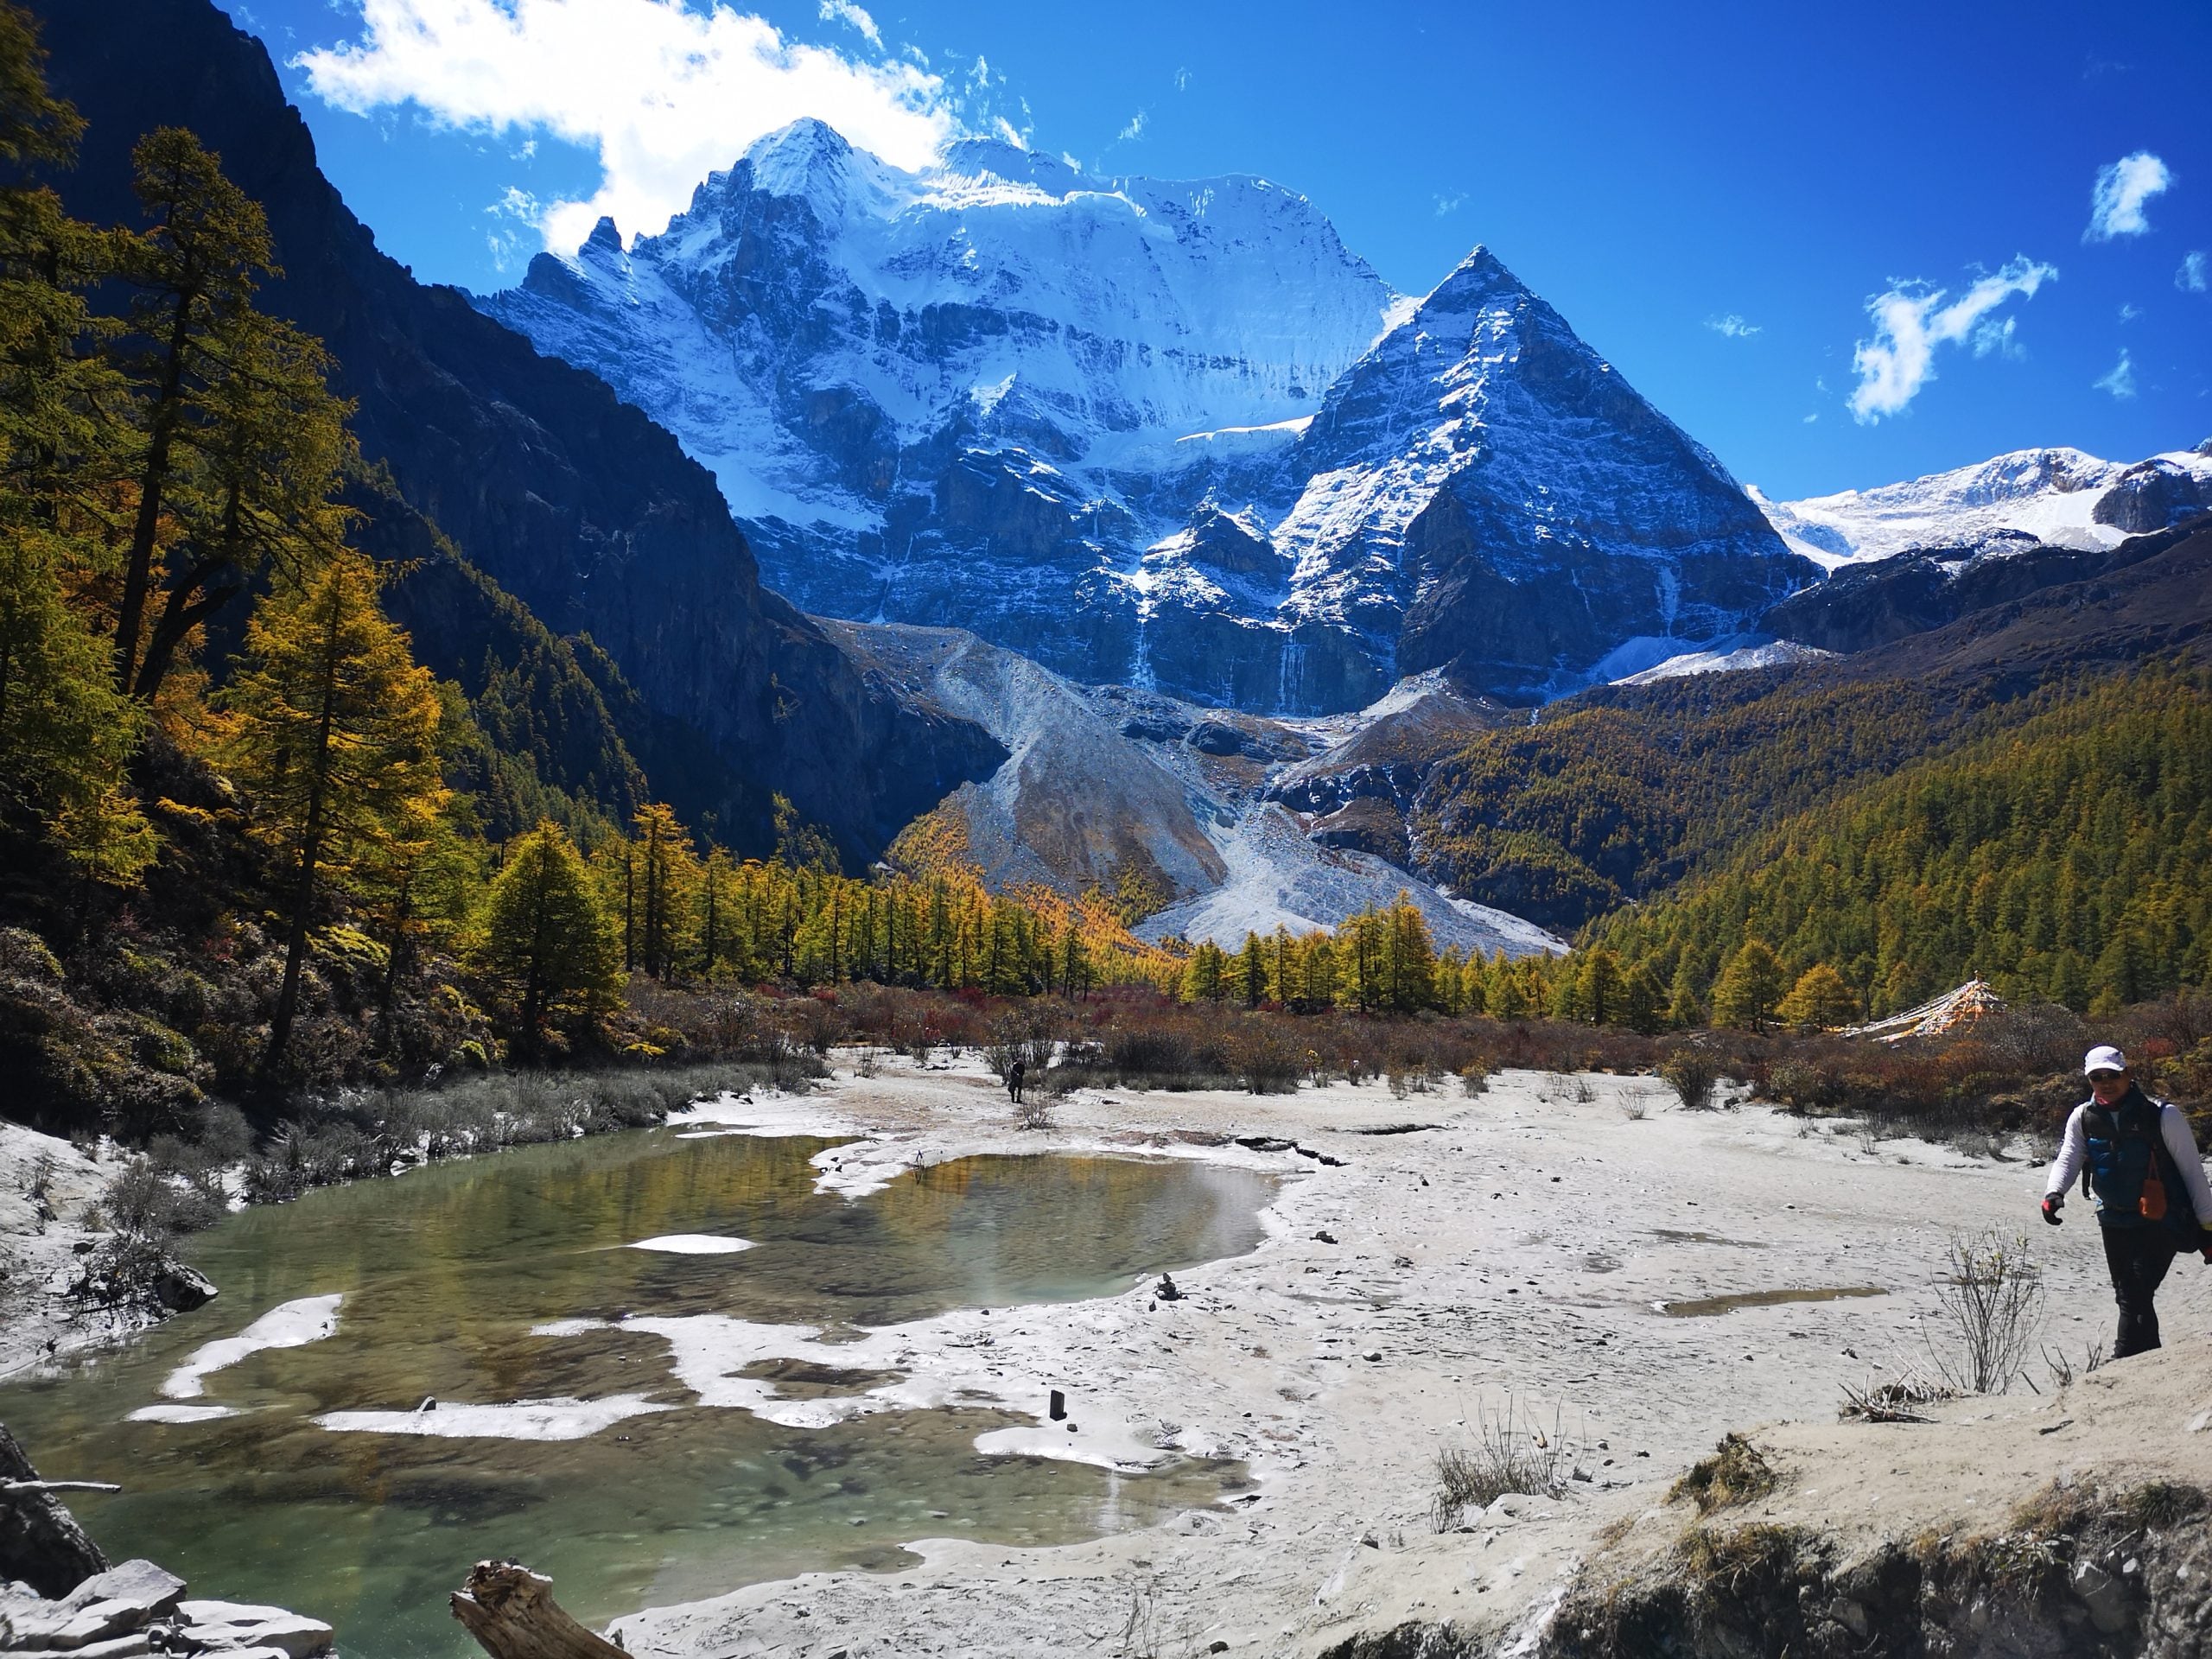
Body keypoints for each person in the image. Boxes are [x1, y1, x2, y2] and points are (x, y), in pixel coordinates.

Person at [2041, 1044, 2212, 1358]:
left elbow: (2192, 1172)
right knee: (2129, 1295)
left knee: (2134, 1292)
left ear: (2128, 1074)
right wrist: (2055, 1193)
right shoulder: (2083, 1117)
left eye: (2113, 1074)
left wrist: (2207, 1228)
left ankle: (2122, 1360)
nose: (2106, 1082)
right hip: (2113, 1219)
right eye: (2097, 1077)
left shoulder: (2162, 1114)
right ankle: (2150, 1360)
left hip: (2161, 1218)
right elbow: (2069, 1157)